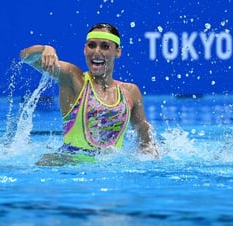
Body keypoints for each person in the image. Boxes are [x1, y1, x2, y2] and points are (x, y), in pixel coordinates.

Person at [20, 23, 158, 165]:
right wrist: (45, 49)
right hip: (68, 168)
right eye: (92, 45)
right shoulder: (74, 79)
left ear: (118, 52)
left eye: (105, 46)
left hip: (111, 171)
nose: (97, 51)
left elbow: (145, 142)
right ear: (85, 49)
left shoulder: (130, 92)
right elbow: (25, 56)